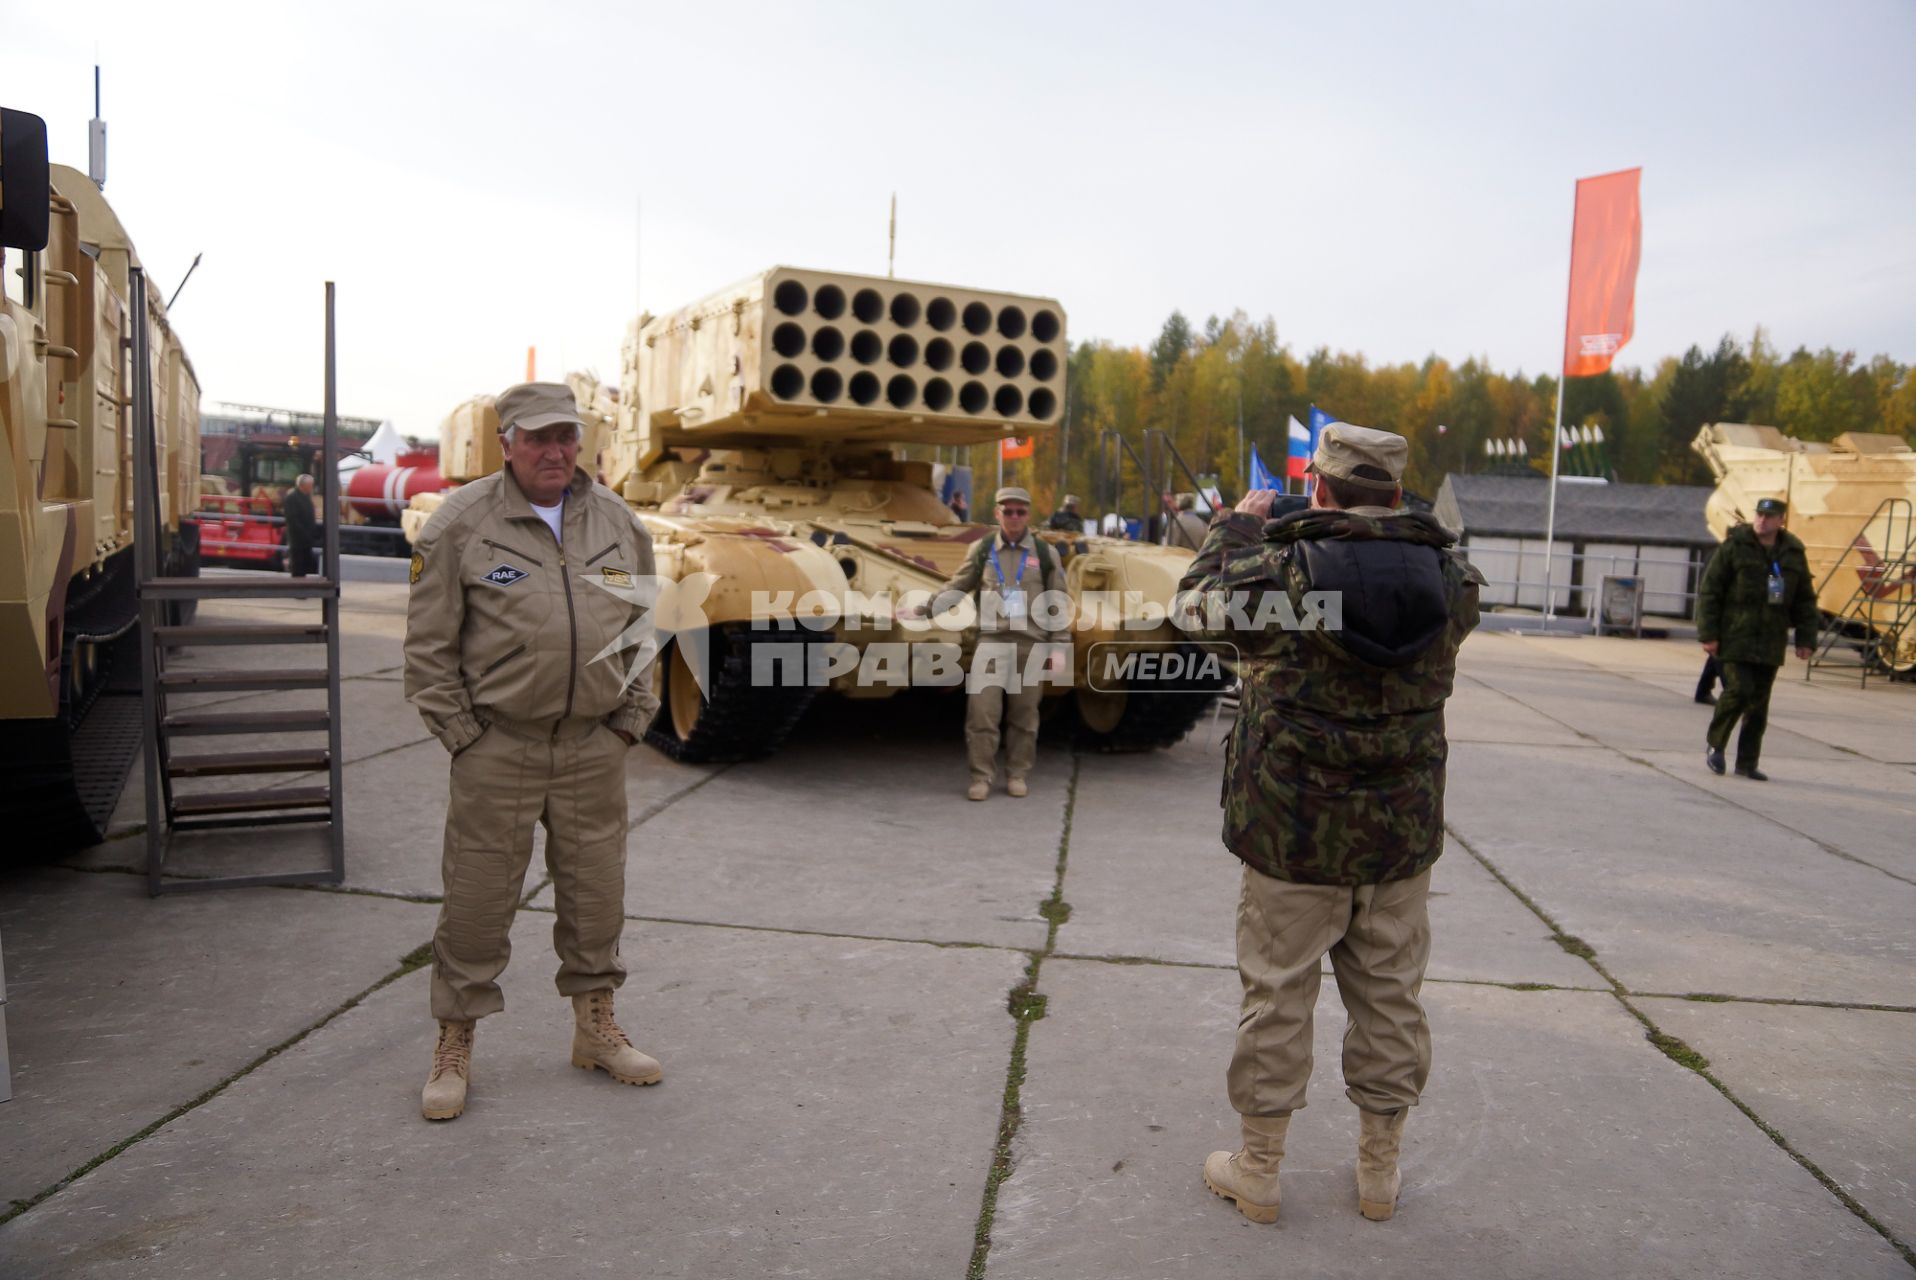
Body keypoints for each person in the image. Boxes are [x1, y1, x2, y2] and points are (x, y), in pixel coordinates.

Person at [1177, 423, 1483, 1225]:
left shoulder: (1280, 572)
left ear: (1319, 487)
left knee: (1278, 996)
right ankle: (1378, 1175)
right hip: (1399, 839)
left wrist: (1237, 527)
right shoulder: (1454, 582)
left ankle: (1260, 1170)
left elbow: (1193, 611)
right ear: (1393, 491)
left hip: (1292, 835)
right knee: (1390, 1001)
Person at [404, 382, 663, 1121]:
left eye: (566, 437)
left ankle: (596, 1029)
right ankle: (455, 1043)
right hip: (500, 745)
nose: (554, 451)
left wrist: (630, 718)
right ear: (507, 443)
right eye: (538, 438)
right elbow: (428, 648)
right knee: (479, 901)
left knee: (596, 892)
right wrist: (465, 736)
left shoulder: (617, 523)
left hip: (591, 746)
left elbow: (645, 625)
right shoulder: (461, 524)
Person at [905, 486, 1068, 801]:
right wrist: (923, 610)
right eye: (1008, 511)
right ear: (997, 513)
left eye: (1021, 511)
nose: (1015, 517)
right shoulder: (981, 550)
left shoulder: (1045, 554)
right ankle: (981, 777)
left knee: (1025, 717)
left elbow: (1057, 602)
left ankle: (1017, 774)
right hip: (992, 643)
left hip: (1031, 645)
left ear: (1028, 514)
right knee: (982, 715)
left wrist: (1059, 647)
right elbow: (958, 586)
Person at [1696, 496, 1817, 781]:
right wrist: (1709, 633)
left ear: (1781, 520)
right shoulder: (1735, 546)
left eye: (1769, 516)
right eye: (1759, 515)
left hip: (1770, 640)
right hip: (1734, 636)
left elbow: (1804, 600)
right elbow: (1711, 591)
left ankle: (1747, 762)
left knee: (1759, 704)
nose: (1762, 520)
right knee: (1738, 690)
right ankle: (1716, 746)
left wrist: (1805, 639)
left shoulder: (1793, 552)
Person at [282, 473, 319, 577]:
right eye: (311, 485)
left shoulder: (306, 497)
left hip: (306, 538)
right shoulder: (292, 498)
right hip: (297, 538)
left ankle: (302, 584)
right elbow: (292, 519)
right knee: (297, 565)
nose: (312, 487)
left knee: (304, 565)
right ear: (303, 485)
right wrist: (305, 533)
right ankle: (297, 586)